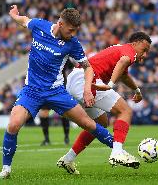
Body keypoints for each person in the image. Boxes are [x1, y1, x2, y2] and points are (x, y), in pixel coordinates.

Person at [0, 5, 122, 180]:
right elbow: (24, 21)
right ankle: (6, 169)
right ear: (60, 23)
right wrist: (14, 15)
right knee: (13, 125)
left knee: (89, 124)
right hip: (32, 91)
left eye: (76, 30)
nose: (74, 34)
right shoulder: (39, 26)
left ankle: (119, 152)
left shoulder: (72, 44)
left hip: (56, 92)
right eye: (71, 30)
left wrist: (87, 90)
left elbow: (88, 68)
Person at [57, 32, 151, 174]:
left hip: (75, 79)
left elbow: (124, 75)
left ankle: (68, 159)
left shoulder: (122, 50)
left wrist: (137, 90)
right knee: (125, 111)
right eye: (144, 50)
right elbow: (123, 61)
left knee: (99, 124)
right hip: (87, 80)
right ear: (135, 43)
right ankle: (117, 152)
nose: (144, 55)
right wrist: (111, 84)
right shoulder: (129, 52)